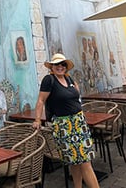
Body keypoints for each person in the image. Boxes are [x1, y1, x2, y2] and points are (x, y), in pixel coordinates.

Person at [32, 53, 99, 188]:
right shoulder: (49, 80)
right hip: (65, 125)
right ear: (52, 66)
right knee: (83, 162)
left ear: (66, 67)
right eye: (57, 64)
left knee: (78, 161)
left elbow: (76, 97)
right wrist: (37, 119)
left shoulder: (69, 79)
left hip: (79, 123)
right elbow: (40, 100)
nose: (60, 67)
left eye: (63, 64)